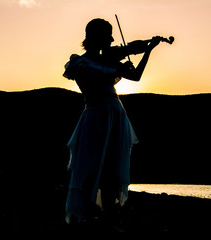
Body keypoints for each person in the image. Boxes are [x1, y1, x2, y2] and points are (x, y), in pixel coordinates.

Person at [63, 18, 161, 224]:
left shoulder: (107, 60)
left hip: (115, 115)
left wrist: (148, 50)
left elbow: (136, 76)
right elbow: (94, 75)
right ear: (97, 37)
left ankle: (107, 213)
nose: (113, 39)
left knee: (111, 167)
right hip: (95, 115)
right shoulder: (80, 63)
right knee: (90, 165)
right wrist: (118, 61)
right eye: (108, 35)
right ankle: (89, 213)